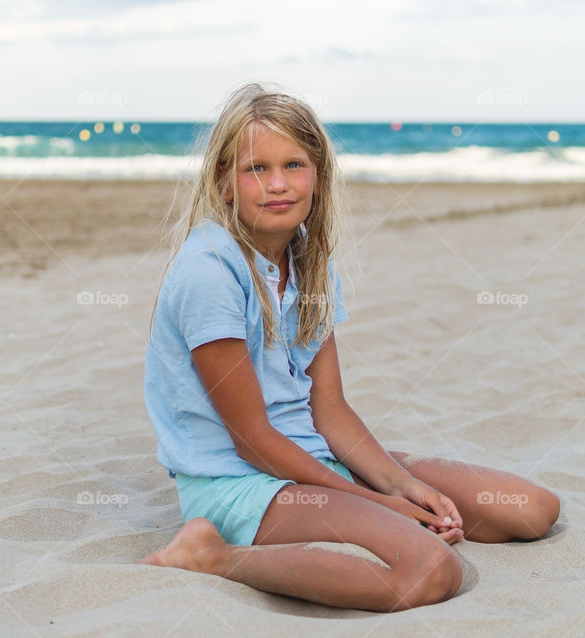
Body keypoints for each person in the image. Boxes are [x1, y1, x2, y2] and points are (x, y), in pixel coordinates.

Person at [137, 83, 560, 612]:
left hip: (315, 459)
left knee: (530, 509)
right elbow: (251, 439)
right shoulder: (210, 273)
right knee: (428, 570)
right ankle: (213, 556)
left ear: (318, 174)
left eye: (293, 165)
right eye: (255, 169)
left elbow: (330, 409)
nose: (277, 185)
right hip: (242, 483)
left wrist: (402, 486)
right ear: (224, 183)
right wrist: (373, 502)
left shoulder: (309, 260)